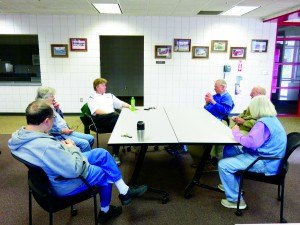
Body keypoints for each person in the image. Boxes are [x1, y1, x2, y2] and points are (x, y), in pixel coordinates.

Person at [8, 100, 148, 224]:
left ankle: (125, 190)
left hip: (51, 174)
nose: (53, 121)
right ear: (46, 121)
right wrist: (72, 148)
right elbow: (74, 169)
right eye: (53, 118)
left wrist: (63, 148)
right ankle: (105, 212)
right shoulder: (46, 147)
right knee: (105, 172)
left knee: (102, 153)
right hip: (64, 181)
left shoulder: (18, 138)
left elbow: (50, 155)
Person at [218, 95, 287, 209]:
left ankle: (236, 200)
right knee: (230, 149)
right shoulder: (272, 119)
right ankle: (234, 185)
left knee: (223, 165)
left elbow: (251, 143)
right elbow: (257, 143)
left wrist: (236, 133)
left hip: (265, 162)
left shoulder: (262, 124)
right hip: (270, 158)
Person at [36, 87, 94, 153]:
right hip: (59, 135)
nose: (54, 98)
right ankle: (82, 160)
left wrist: (57, 109)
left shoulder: (49, 106)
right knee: (85, 144)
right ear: (44, 98)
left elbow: (60, 119)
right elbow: (47, 129)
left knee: (90, 138)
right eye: (51, 96)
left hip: (66, 131)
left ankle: (81, 154)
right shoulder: (42, 110)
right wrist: (62, 131)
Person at [87, 78, 130, 165]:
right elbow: (96, 111)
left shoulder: (109, 95)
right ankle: (121, 143)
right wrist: (110, 113)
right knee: (116, 117)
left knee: (116, 125)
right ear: (97, 86)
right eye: (103, 85)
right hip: (100, 120)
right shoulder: (92, 97)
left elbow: (120, 103)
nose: (105, 87)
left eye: (105, 85)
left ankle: (115, 154)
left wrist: (131, 106)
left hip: (112, 120)